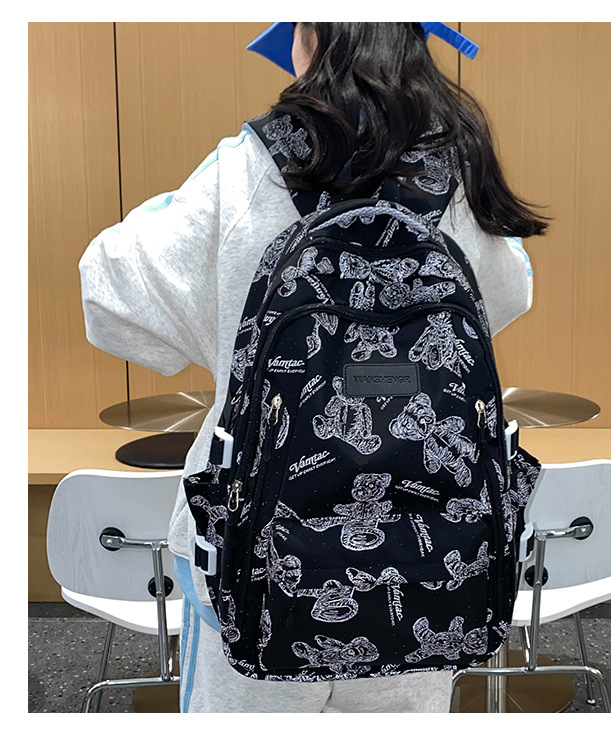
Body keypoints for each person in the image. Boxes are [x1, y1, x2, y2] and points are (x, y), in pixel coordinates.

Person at [79, 22, 551, 713]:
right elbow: (507, 296)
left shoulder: (248, 167)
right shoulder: (455, 168)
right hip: (426, 552)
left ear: (308, 36)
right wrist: (390, 371)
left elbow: (108, 292)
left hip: (253, 549)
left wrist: (228, 338)